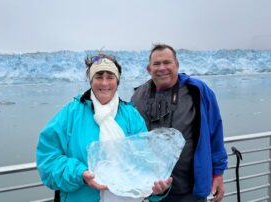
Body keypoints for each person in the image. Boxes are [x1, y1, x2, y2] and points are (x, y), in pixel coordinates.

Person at [36, 53, 172, 202]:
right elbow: (47, 160)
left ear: (117, 80)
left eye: (110, 77)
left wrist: (157, 191)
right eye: (99, 76)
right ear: (91, 80)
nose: (105, 83)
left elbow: (145, 164)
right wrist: (80, 174)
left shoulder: (131, 117)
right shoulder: (71, 114)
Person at [131, 44, 228, 202]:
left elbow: (215, 132)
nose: (162, 68)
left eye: (167, 62)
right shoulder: (138, 97)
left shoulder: (197, 90)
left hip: (192, 190)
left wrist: (218, 174)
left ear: (177, 65)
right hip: (155, 191)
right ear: (149, 69)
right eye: (156, 64)